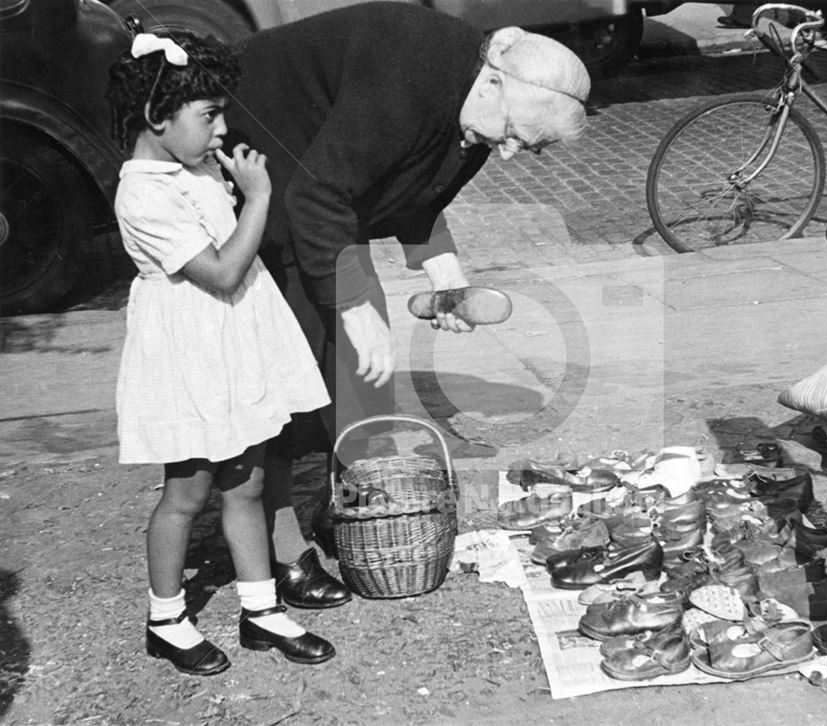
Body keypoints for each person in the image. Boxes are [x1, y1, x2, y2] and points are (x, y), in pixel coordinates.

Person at [224, 2, 592, 608]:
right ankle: (279, 547)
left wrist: (444, 272)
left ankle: (342, 507)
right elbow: (320, 195)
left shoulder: (482, 110)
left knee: (362, 374)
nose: (504, 153)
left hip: (322, 193)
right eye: (511, 134)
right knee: (289, 374)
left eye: (524, 148)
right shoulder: (409, 76)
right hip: (266, 170)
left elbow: (413, 191)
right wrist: (351, 307)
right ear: (496, 78)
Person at [106, 31, 336, 675]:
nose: (222, 128)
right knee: (189, 489)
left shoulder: (194, 169)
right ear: (157, 118)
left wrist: (232, 186)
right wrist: (258, 197)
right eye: (208, 115)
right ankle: (166, 618)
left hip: (235, 341)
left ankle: (261, 610)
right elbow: (222, 273)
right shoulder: (144, 193)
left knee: (248, 478)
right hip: (191, 351)